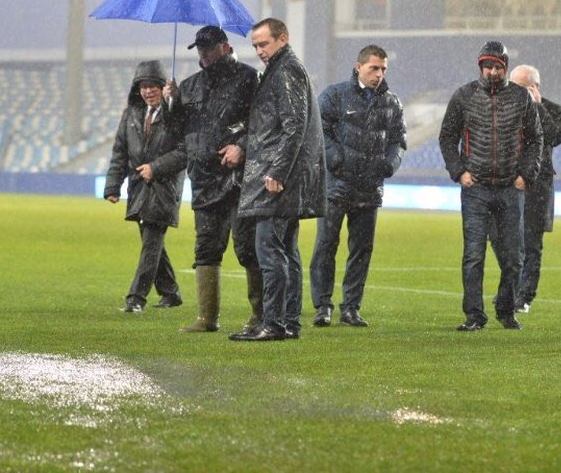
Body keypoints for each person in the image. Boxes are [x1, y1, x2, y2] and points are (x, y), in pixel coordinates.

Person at [161, 26, 265, 334]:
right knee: (205, 249)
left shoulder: (249, 78)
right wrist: (172, 105)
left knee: (247, 247)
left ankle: (260, 315)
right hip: (204, 178)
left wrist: (242, 146)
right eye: (200, 48)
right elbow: (177, 132)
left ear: (225, 46)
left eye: (209, 47)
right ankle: (207, 319)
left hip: (238, 178)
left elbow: (262, 122)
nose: (204, 52)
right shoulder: (189, 86)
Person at [230, 17, 326, 342]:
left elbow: (294, 125)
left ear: (282, 39)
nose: (259, 51)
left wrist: (276, 171)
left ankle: (273, 323)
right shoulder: (282, 69)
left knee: (269, 250)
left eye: (264, 44)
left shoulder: (286, 70)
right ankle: (287, 322)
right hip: (284, 177)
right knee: (286, 250)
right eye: (255, 45)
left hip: (276, 179)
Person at [439, 41, 542, 332]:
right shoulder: (464, 96)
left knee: (513, 258)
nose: (492, 71)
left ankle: (505, 310)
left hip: (511, 187)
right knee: (474, 255)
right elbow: (447, 137)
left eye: (498, 67)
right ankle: (474, 315)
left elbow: (536, 139)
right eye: (488, 66)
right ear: (480, 67)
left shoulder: (521, 97)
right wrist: (459, 171)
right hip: (476, 188)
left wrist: (526, 174)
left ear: (505, 68)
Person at [309, 45, 407, 328]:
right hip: (337, 185)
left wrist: (389, 164)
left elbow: (398, 141)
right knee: (326, 246)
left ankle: (351, 307)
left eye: (383, 68)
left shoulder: (392, 103)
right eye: (374, 68)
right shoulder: (334, 95)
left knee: (361, 250)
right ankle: (323, 306)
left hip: (370, 187)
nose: (379, 74)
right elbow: (318, 132)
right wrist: (336, 160)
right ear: (358, 67)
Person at [104, 60, 187, 313]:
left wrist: (156, 168)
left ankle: (136, 298)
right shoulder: (131, 114)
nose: (148, 91)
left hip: (164, 188)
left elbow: (185, 152)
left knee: (151, 242)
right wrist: (112, 186)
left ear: (163, 87)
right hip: (139, 187)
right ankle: (170, 293)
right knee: (152, 243)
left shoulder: (176, 114)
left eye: (153, 86)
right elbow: (120, 151)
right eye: (143, 86)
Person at [507, 65, 561, 314]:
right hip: (507, 182)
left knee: (531, 244)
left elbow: (555, 136)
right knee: (506, 242)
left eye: (521, 87)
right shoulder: (502, 107)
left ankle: (525, 296)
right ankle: (508, 293)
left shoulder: (552, 110)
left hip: (537, 185)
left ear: (535, 87)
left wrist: (538, 107)